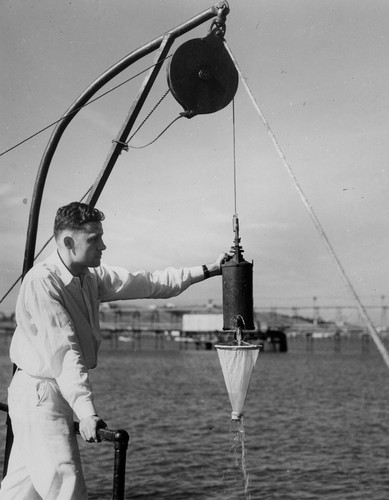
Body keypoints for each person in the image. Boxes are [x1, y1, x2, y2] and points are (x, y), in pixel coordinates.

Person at [0, 201, 227, 500]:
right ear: (68, 242)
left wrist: (207, 271)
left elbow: (148, 282)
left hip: (47, 393)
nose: (103, 246)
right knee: (67, 492)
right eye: (94, 239)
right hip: (41, 395)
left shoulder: (89, 277)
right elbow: (64, 354)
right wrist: (88, 413)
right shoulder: (43, 282)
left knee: (20, 493)